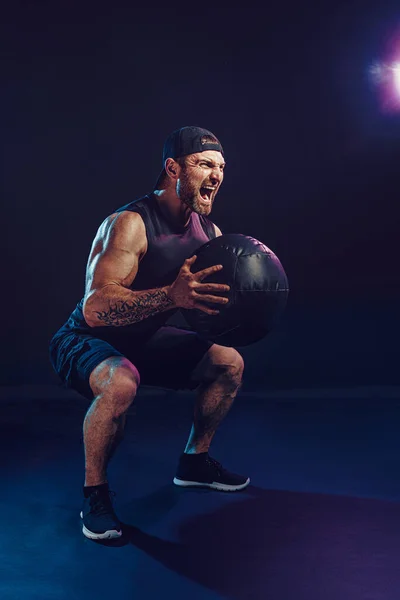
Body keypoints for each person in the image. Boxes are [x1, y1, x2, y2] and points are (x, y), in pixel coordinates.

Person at [49, 126, 250, 541]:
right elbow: (96, 307)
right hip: (85, 338)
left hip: (141, 340)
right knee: (122, 383)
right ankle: (95, 495)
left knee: (228, 362)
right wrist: (171, 297)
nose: (216, 175)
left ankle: (194, 463)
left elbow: (202, 303)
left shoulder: (208, 235)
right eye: (204, 164)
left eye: (221, 167)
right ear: (173, 168)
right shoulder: (131, 223)